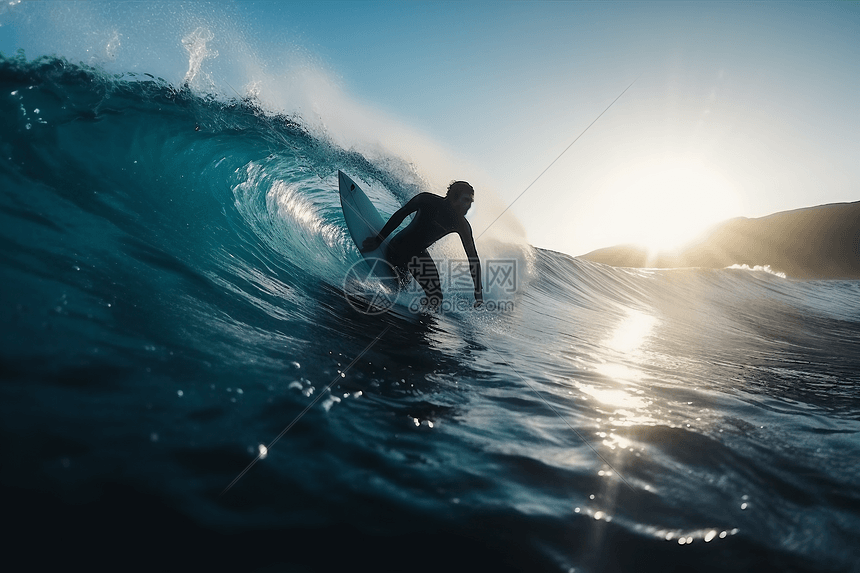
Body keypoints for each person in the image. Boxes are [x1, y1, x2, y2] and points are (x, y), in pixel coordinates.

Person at [361, 181, 483, 309]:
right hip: (399, 247)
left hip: (418, 255)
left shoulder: (461, 225)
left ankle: (417, 320)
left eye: (470, 202)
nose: (468, 206)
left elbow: (473, 258)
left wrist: (478, 290)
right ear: (454, 196)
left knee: (436, 298)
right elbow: (400, 215)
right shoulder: (427, 200)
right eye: (466, 200)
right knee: (401, 282)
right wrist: (378, 240)